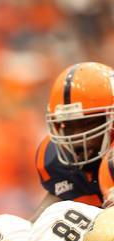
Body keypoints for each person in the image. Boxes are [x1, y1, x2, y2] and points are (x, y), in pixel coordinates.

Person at [33, 61, 114, 220]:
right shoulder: (54, 161)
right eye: (68, 125)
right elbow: (37, 227)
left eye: (88, 123)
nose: (77, 137)